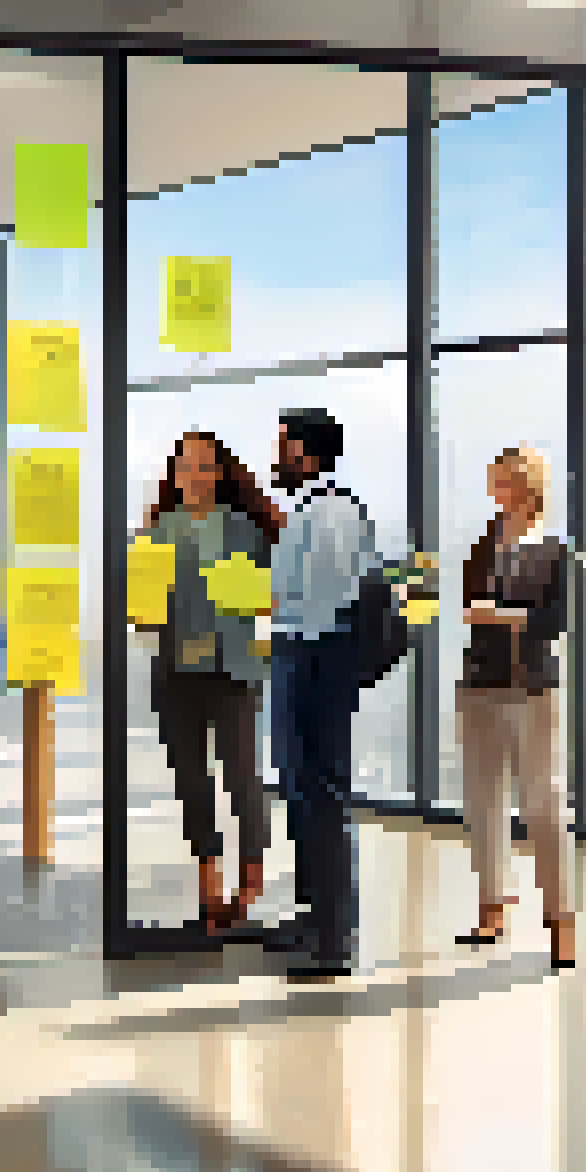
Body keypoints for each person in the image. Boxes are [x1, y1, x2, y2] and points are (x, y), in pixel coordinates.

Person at [139, 431, 283, 934]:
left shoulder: (248, 529)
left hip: (236, 670)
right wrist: (141, 609)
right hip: (177, 670)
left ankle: (252, 871)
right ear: (174, 475)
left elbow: (278, 598)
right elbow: (144, 613)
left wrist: (254, 597)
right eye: (184, 465)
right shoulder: (156, 531)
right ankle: (209, 878)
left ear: (220, 472)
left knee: (244, 777)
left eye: (203, 464)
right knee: (192, 782)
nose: (193, 474)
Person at [267, 408, 379, 980]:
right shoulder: (309, 509)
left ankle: (334, 939)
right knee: (300, 791)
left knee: (321, 793)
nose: (275, 456)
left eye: (282, 446)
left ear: (306, 454)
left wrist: (272, 609)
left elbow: (329, 595)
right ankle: (314, 920)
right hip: (299, 653)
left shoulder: (331, 509)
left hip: (316, 658)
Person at [454, 447, 574, 969]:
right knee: (482, 803)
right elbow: (465, 606)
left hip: (531, 689)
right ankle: (491, 909)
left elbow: (556, 621)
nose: (500, 490)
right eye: (494, 480)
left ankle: (562, 924)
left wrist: (502, 615)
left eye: (508, 481)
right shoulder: (482, 546)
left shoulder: (553, 551)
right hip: (479, 684)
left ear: (530, 487)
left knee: (543, 807)